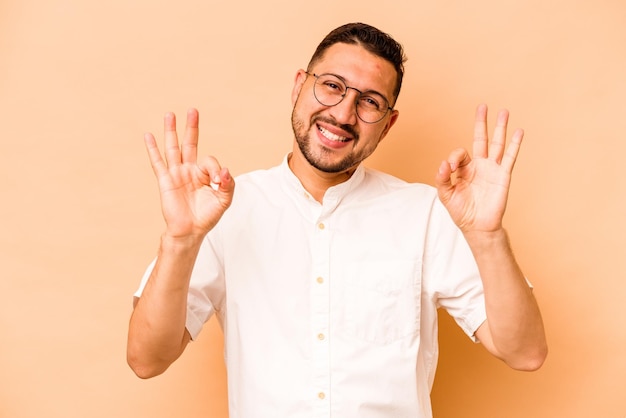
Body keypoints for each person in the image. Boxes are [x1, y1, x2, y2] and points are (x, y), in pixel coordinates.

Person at [127, 22, 547, 418]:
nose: (344, 114)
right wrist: (180, 241)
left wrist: (487, 235)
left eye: (370, 102)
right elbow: (146, 359)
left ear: (387, 125)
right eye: (331, 86)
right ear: (298, 86)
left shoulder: (426, 214)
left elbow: (525, 352)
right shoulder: (224, 208)